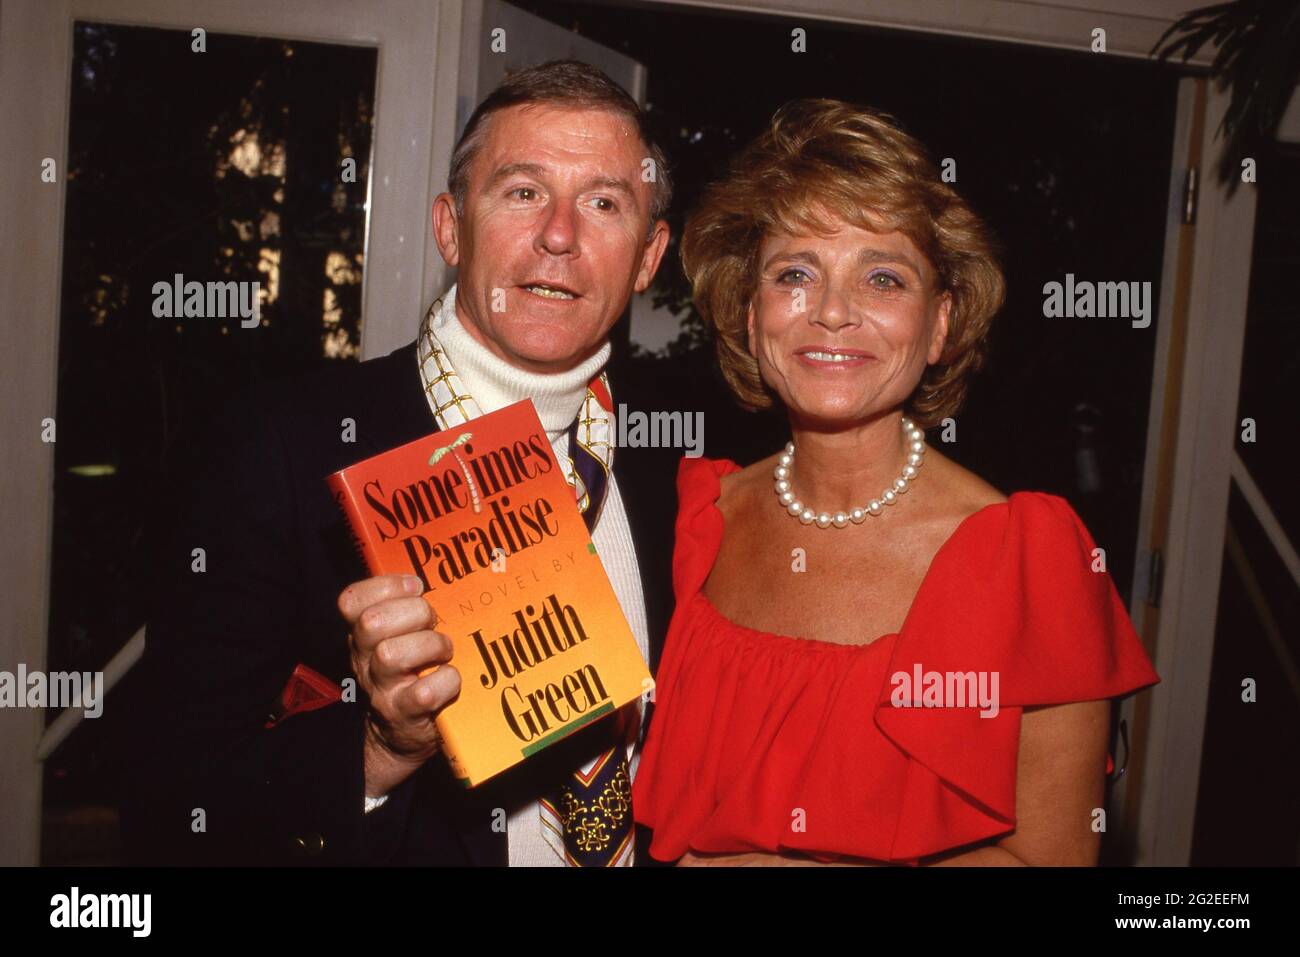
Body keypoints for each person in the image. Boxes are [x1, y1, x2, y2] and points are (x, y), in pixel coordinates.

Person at [127, 60, 682, 866]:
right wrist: (380, 748)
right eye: (522, 191)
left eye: (604, 202)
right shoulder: (283, 447)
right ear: (450, 227)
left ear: (649, 256)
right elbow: (169, 803)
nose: (560, 234)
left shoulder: (679, 471)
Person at [631, 99, 1160, 866]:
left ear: (940, 324)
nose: (834, 312)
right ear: (752, 316)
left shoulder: (1030, 563)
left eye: (882, 277)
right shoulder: (700, 522)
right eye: (795, 274)